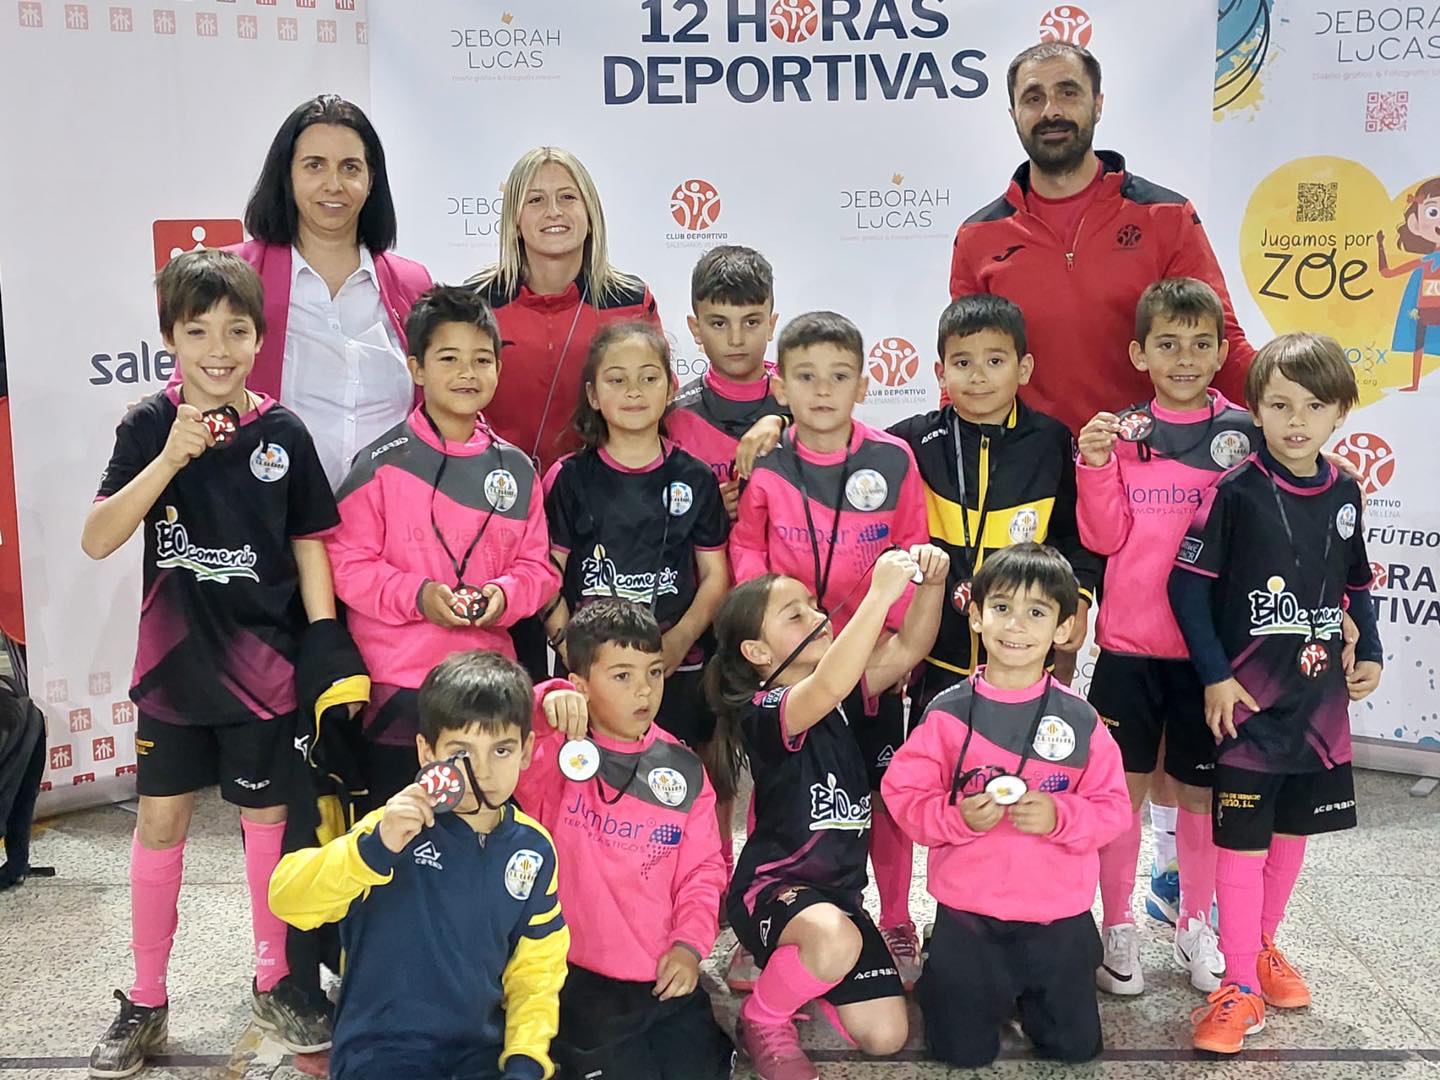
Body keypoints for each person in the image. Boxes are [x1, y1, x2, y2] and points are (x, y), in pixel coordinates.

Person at [83, 250, 341, 1075]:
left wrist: (328, 639)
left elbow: (309, 546)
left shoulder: (283, 433)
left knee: (267, 826)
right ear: (171, 339)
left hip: (266, 673)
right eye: (198, 332)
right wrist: (171, 458)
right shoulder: (145, 426)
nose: (218, 348)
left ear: (259, 338)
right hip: (171, 674)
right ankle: (147, 1000)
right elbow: (97, 538)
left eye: (236, 330)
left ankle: (275, 980)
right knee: (161, 825)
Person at [1170, 333, 1383, 1054]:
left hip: (1320, 705)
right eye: (1279, 404)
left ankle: (1262, 946)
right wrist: (1215, 676)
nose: (1297, 419)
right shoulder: (1233, 492)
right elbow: (1187, 589)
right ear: (1254, 410)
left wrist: (1373, 648)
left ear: (1339, 413)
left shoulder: (1346, 490)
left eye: (1313, 405)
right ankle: (1237, 985)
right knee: (1242, 841)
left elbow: (1357, 582)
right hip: (1248, 708)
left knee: (1292, 835)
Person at [729, 311, 931, 984]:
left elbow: (909, 555)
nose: (823, 390)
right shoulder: (768, 468)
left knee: (883, 795)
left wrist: (888, 650)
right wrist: (786, 653)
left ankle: (897, 920)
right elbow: (748, 569)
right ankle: (765, 921)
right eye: (806, 377)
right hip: (794, 670)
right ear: (779, 387)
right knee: (781, 792)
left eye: (839, 376)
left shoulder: (891, 459)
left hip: (871, 666)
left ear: (865, 384)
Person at [705, 544, 948, 1080]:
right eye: (796, 615)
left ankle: (807, 975)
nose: (817, 617)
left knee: (886, 1037)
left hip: (837, 900)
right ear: (757, 652)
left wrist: (931, 585)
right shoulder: (765, 712)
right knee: (832, 938)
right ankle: (763, 1016)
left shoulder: (842, 691)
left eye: (816, 607)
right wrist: (880, 594)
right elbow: (829, 682)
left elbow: (909, 646)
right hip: (772, 893)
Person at [883, 543, 1130, 1066]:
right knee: (961, 1054)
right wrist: (953, 819)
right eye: (1001, 608)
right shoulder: (946, 712)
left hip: (1058, 919)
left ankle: (1025, 997)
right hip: (970, 917)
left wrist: (1060, 817)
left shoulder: (1081, 719)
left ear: (1063, 629)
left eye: (1036, 613)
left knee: (1075, 1050)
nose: (1015, 626)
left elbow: (1113, 810)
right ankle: (950, 980)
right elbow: (902, 794)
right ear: (975, 615)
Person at [269, 650, 569, 1080]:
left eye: (501, 750)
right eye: (461, 751)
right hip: (380, 1050)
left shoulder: (534, 850)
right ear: (427, 753)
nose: (481, 771)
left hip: (478, 1049)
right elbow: (288, 899)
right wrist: (371, 851)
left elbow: (537, 969)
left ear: (526, 751)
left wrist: (525, 1057)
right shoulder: (391, 829)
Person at [1076, 278, 1254, 997]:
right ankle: (1118, 925)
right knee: (1122, 790)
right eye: (1168, 344)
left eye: (1201, 345)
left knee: (1198, 794)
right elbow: (1104, 535)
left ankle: (1193, 924)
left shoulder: (1247, 434)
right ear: (1139, 351)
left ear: (1220, 353)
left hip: (1210, 658)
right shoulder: (1120, 434)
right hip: (1127, 647)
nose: (1185, 358)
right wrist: (1092, 465)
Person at [325, 285, 558, 812]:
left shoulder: (518, 470)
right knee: (398, 838)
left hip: (489, 689)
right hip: (399, 690)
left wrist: (504, 596)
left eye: (481, 360)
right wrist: (418, 595)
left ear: (498, 369)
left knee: (485, 837)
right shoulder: (379, 464)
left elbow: (538, 568)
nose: (466, 373)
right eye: (448, 359)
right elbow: (346, 564)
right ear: (416, 368)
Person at [948, 41, 1253, 436]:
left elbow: (1220, 343)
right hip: (1032, 475)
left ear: (1098, 103)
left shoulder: (1166, 216)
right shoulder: (978, 237)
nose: (1051, 111)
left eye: (1068, 93)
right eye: (1033, 98)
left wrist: (1293, 433)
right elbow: (963, 362)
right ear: (1014, 115)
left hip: (1153, 467)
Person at [170, 95, 433, 491]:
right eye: (314, 166)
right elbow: (188, 393)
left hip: (390, 529)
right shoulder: (236, 274)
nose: (334, 184)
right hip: (270, 520)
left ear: (371, 179)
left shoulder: (412, 284)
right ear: (287, 175)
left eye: (350, 168)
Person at [516, 600, 733, 1079]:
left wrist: (689, 945)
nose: (644, 690)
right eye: (621, 676)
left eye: (654, 673)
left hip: (661, 973)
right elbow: (502, 740)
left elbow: (703, 870)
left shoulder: (684, 767)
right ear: (581, 686)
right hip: (579, 977)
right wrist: (547, 698)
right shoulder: (551, 753)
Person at [470, 146, 661, 679]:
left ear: (590, 210)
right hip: (500, 518)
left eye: (566, 197)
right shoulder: (475, 301)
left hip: (606, 518)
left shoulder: (629, 298)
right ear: (514, 218)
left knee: (609, 680)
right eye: (536, 200)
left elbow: (655, 399)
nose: (553, 211)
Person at [887, 294, 1098, 713]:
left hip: (1028, 643)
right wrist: (778, 422)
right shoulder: (912, 440)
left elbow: (1076, 532)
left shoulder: (1051, 440)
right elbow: (841, 442)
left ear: (1024, 368)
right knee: (941, 758)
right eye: (962, 363)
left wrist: (1079, 597)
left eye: (995, 362)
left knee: (1031, 761)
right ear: (940, 373)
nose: (978, 376)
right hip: (938, 646)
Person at [542, 323, 730, 754]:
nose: (633, 391)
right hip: (590, 675)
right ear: (593, 395)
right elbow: (547, 575)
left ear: (669, 389)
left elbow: (715, 575)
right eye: (616, 379)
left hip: (676, 668)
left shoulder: (695, 478)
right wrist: (571, 651)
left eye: (648, 378)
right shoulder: (569, 478)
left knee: (686, 781)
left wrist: (680, 641)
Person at [666, 244, 788, 522]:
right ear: (696, 329)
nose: (736, 339)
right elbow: (653, 511)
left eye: (751, 322)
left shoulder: (805, 399)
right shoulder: (675, 418)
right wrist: (704, 508)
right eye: (719, 324)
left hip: (795, 566)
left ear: (771, 325)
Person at [1375, 176, 1440, 392]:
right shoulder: (1425, 260)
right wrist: (1381, 246)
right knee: (1418, 347)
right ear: (1415, 223)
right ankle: (1415, 383)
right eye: (1433, 212)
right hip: (1425, 309)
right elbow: (1387, 273)